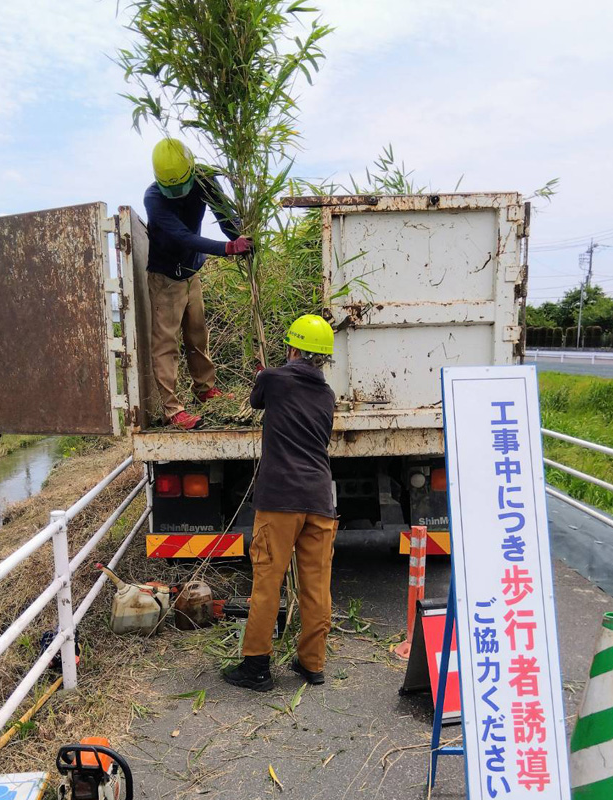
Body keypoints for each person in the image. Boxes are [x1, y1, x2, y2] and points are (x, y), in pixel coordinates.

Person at [223, 314, 338, 692]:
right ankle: (312, 664)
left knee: (267, 583)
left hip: (280, 500)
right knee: (317, 586)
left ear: (292, 349)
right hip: (320, 500)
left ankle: (257, 666)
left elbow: (256, 400)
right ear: (323, 357)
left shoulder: (272, 379)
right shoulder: (327, 395)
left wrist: (262, 372)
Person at [144, 137, 253, 430]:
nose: (177, 194)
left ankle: (204, 390)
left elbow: (224, 215)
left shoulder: (204, 180)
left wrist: (240, 238)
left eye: (182, 186)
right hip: (165, 277)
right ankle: (173, 410)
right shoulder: (153, 198)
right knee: (166, 344)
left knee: (197, 335)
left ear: (191, 170)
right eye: (171, 190)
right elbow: (183, 236)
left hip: (192, 271)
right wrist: (227, 248)